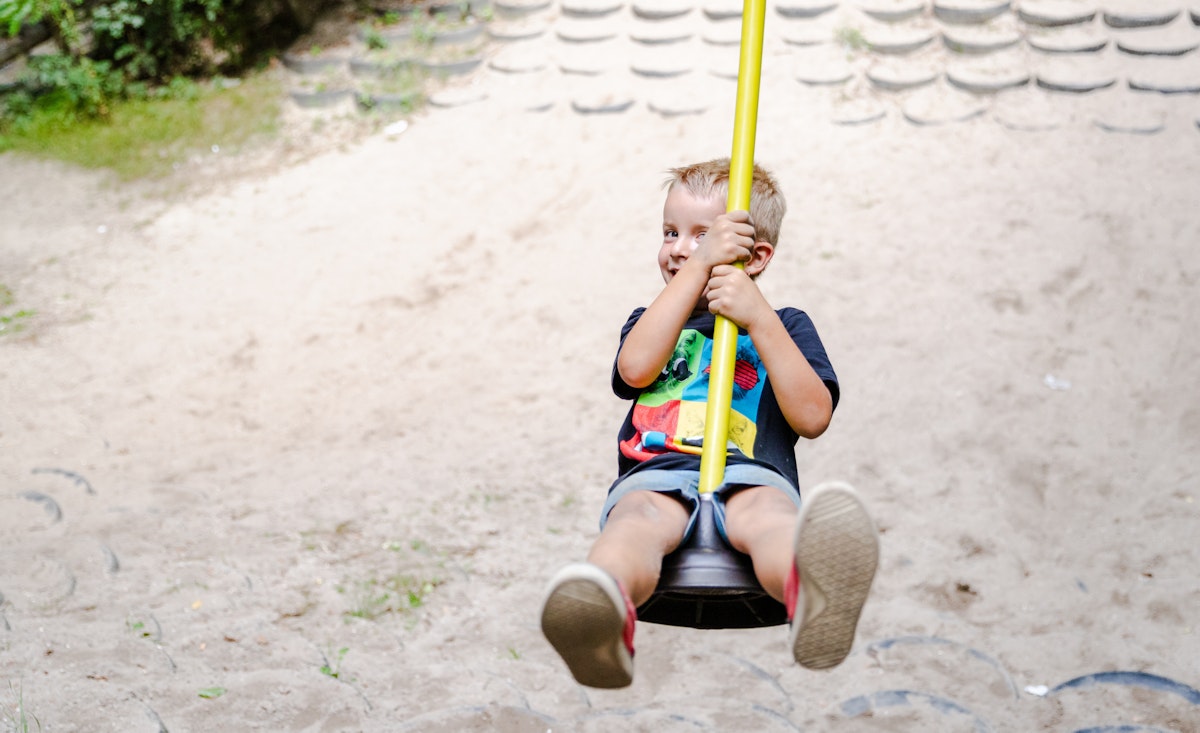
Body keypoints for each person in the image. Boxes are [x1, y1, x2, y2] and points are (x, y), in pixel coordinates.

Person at [540, 158, 880, 689]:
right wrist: (701, 266)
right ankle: (601, 614)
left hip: (750, 474)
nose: (678, 248)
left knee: (770, 519)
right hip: (655, 471)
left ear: (757, 255)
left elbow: (813, 417)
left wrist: (758, 317)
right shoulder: (652, 320)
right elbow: (635, 369)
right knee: (633, 525)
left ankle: (813, 597)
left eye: (702, 236)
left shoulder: (785, 325)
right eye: (671, 232)